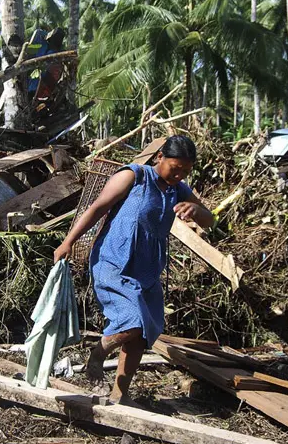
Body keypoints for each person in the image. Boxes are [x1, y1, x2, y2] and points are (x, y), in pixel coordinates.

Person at [53, 135, 214, 406]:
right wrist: (68, 242)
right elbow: (97, 208)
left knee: (143, 335)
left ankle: (120, 395)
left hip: (149, 270)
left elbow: (209, 220)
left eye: (185, 171)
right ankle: (99, 352)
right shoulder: (135, 175)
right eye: (175, 167)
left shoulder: (179, 190)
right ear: (160, 156)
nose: (179, 174)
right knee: (133, 322)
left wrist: (196, 209)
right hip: (114, 261)